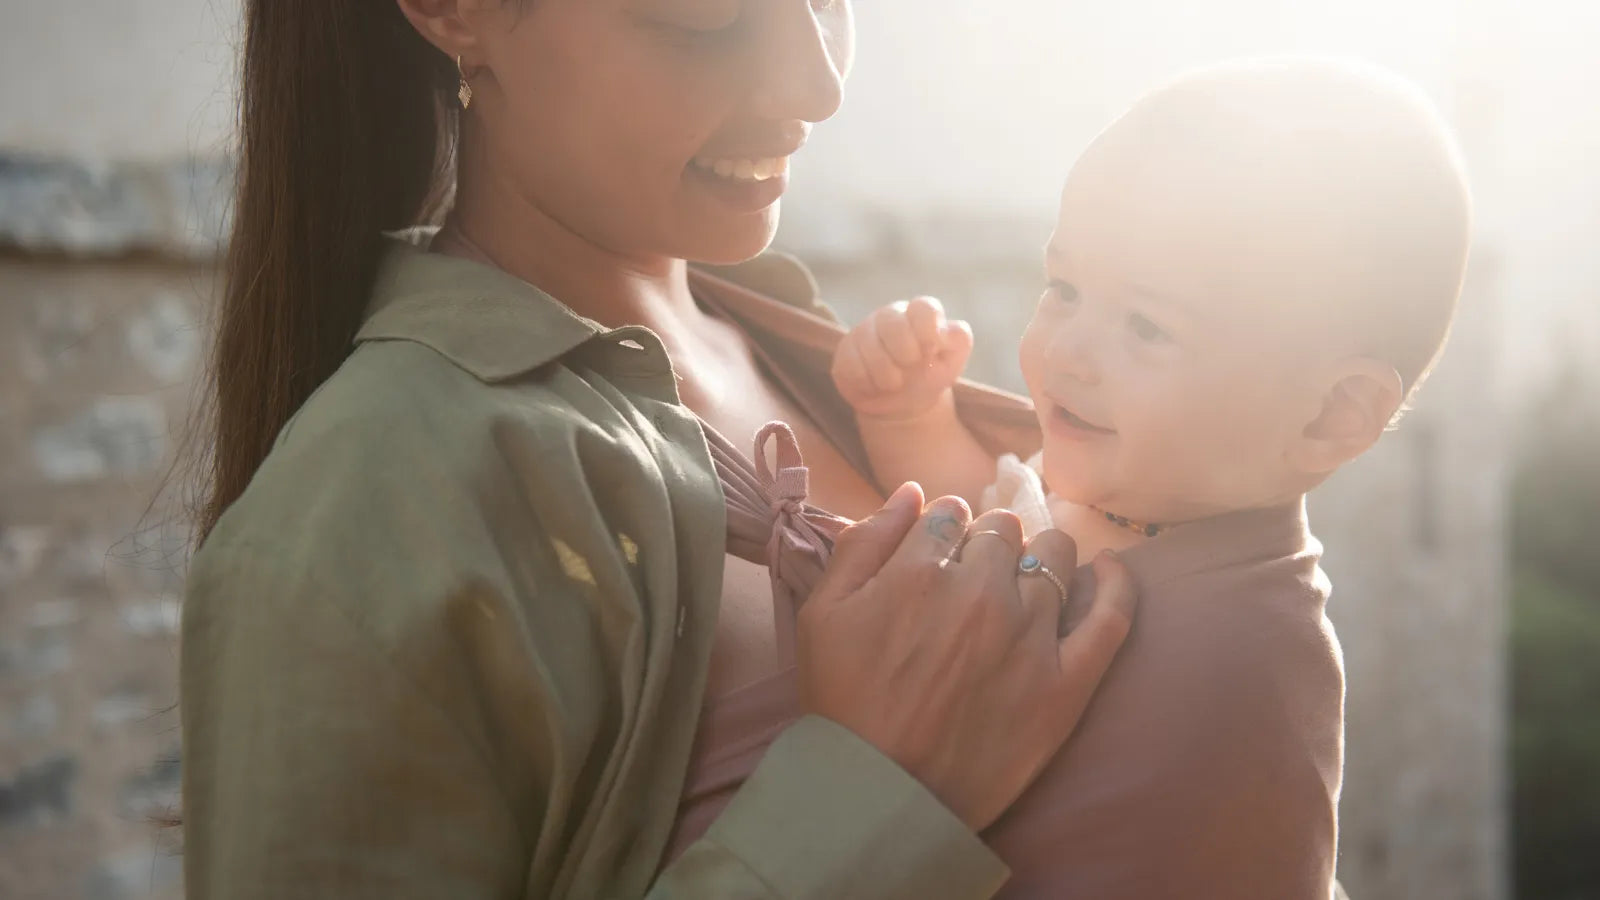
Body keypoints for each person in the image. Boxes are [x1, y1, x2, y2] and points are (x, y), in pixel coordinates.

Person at [178, 1, 1141, 898]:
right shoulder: (364, 519)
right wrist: (874, 792)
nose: (816, 84)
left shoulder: (818, 355)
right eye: (706, 13)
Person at [832, 58, 1472, 897]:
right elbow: (987, 521)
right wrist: (909, 416)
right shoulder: (1111, 495)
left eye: (1146, 326)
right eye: (1063, 288)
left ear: (1331, 416)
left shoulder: (1253, 669)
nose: (1065, 352)